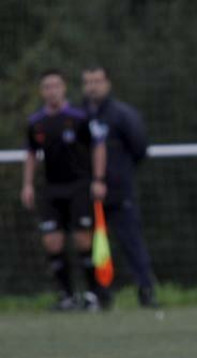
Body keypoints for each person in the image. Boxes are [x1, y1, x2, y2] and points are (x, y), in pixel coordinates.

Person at [21, 69, 108, 311]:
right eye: (47, 87)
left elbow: (98, 146)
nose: (52, 91)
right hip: (51, 189)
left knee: (83, 239)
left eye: (56, 86)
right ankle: (67, 297)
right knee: (52, 242)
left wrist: (99, 179)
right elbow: (30, 154)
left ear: (64, 88)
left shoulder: (80, 117)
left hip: (79, 186)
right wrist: (27, 184)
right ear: (42, 91)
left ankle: (92, 295)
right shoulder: (36, 122)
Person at [81, 66, 158, 309]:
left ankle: (146, 291)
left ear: (108, 83)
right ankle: (99, 294)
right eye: (88, 82)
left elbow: (139, 148)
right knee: (92, 245)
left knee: (131, 242)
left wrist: (117, 174)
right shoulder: (79, 115)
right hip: (87, 193)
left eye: (97, 81)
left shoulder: (122, 114)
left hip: (120, 191)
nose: (93, 86)